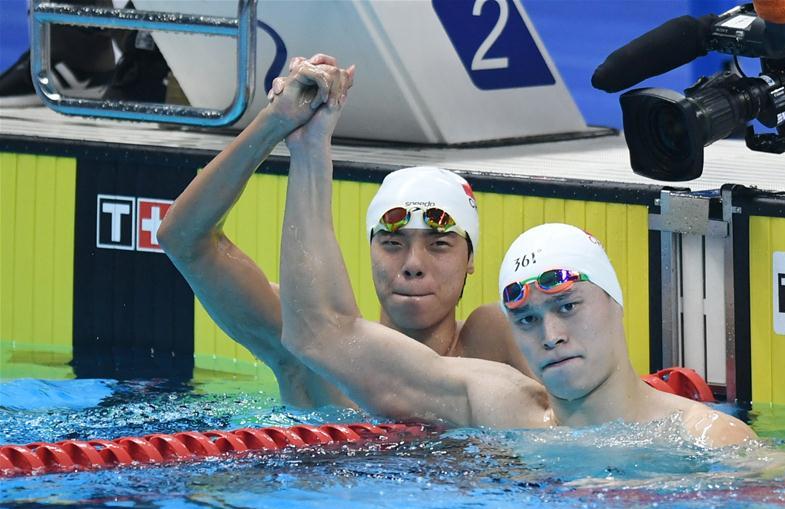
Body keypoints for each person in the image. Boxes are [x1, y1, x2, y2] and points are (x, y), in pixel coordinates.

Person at [275, 56, 756, 448]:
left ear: (614, 301)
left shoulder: (710, 439)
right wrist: (310, 153)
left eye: (567, 306)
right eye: (525, 319)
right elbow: (317, 332)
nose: (550, 335)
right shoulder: (499, 406)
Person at [156, 54, 533, 408]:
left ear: (470, 259)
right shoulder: (315, 355)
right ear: (370, 249)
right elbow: (184, 239)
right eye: (392, 243)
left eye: (438, 245)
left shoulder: (492, 343)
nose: (413, 264)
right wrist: (274, 121)